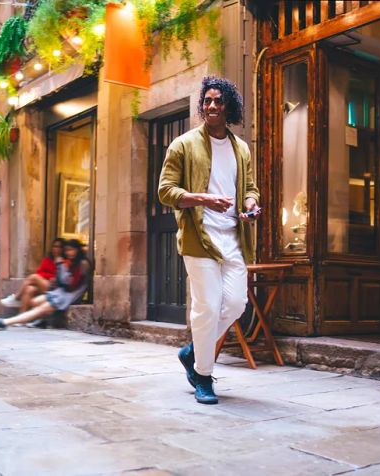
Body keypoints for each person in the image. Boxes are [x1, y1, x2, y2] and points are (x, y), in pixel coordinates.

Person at [157, 76, 261, 404]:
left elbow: (250, 188)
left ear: (229, 106)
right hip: (199, 238)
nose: (212, 106)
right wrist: (203, 199)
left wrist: (250, 204)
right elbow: (165, 191)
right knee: (207, 307)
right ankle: (203, 375)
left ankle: (192, 352)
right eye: (207, 101)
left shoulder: (240, 148)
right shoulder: (183, 145)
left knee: (235, 303)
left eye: (219, 101)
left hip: (234, 238)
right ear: (202, 106)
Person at [0, 239, 90, 330]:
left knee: (39, 309)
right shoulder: (69, 262)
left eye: (71, 250)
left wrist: (60, 265)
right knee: (35, 301)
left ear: (78, 250)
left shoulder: (83, 264)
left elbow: (69, 284)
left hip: (67, 297)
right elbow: (61, 280)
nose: (68, 253)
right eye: (67, 250)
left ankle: (5, 323)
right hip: (61, 292)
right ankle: (41, 321)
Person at [0, 238, 64, 312]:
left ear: (63, 249)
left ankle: (16, 298)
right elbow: (40, 273)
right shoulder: (47, 260)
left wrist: (48, 275)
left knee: (33, 277)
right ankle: (22, 318)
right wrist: (48, 276)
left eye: (59, 247)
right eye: (55, 246)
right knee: (29, 289)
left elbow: (59, 277)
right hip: (44, 284)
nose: (56, 249)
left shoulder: (63, 261)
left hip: (56, 288)